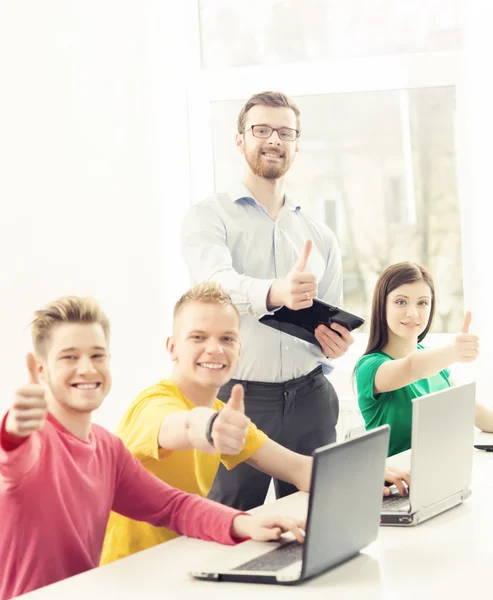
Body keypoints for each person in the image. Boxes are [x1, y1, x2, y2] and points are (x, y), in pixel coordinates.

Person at [0, 296, 306, 600]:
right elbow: (13, 456)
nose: (86, 368)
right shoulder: (31, 441)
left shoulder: (107, 448)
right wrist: (14, 430)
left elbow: (173, 506)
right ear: (40, 370)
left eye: (97, 356)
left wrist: (246, 522)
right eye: (69, 357)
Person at [101, 283, 409, 564]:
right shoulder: (152, 404)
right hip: (131, 569)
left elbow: (299, 469)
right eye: (198, 337)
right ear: (172, 347)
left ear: (239, 349)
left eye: (227, 338)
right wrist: (208, 428)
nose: (215, 348)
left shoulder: (225, 414)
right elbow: (183, 426)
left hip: (185, 559)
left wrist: (360, 471)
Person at [181, 91, 355, 511]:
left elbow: (328, 315)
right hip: (238, 398)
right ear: (240, 140)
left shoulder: (319, 234)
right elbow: (215, 285)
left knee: (317, 522)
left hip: (311, 399)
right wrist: (276, 291)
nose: (273, 140)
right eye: (261, 130)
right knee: (231, 525)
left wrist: (332, 343)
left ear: (296, 145)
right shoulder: (209, 216)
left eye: (285, 132)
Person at [355, 262, 493, 457]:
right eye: (401, 302)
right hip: (396, 484)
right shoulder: (370, 367)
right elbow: (411, 368)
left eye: (422, 303)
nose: (413, 313)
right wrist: (455, 352)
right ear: (381, 305)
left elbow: (476, 413)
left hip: (441, 473)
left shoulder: (435, 363)